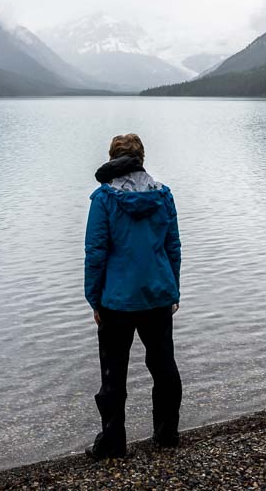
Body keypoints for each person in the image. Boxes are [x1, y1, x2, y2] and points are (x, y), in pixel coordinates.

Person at [83, 133, 182, 460]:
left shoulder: (105, 199)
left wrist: (94, 298)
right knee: (164, 367)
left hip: (117, 302)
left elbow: (96, 253)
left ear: (113, 159)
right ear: (141, 158)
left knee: (114, 374)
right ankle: (166, 434)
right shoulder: (163, 195)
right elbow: (172, 248)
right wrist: (173, 290)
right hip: (157, 296)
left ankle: (113, 443)